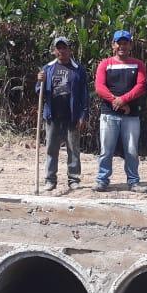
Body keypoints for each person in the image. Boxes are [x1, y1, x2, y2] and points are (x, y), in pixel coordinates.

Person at [95, 29, 147, 193]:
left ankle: (133, 181)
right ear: (113, 45)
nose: (122, 46)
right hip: (109, 114)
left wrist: (123, 100)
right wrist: (116, 101)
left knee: (132, 150)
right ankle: (102, 180)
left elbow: (141, 86)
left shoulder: (138, 64)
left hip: (131, 115)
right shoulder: (105, 64)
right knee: (106, 150)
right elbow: (99, 87)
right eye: (119, 43)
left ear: (130, 45)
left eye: (125, 43)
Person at [36, 36, 88, 191]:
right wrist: (40, 81)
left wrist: (83, 114)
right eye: (58, 48)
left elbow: (84, 94)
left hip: (71, 115)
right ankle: (50, 179)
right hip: (53, 115)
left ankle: (73, 179)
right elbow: (39, 92)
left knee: (73, 149)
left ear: (69, 49)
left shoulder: (78, 69)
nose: (62, 51)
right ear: (54, 51)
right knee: (51, 149)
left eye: (64, 47)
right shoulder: (47, 69)